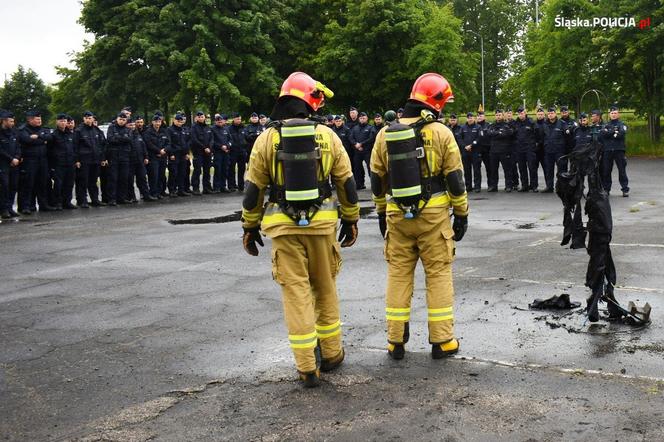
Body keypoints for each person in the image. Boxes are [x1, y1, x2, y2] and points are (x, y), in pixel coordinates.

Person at [241, 72, 359, 388]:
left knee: (296, 294)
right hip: (322, 226)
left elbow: (254, 190)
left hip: (282, 229)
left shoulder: (266, 138)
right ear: (310, 101)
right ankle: (332, 354)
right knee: (325, 287)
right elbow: (346, 183)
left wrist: (249, 227)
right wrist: (351, 219)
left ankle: (307, 367)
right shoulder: (328, 136)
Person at [370, 73, 467, 360]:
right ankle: (442, 341)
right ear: (434, 102)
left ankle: (395, 340)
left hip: (397, 215)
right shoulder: (440, 132)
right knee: (437, 275)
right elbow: (455, 179)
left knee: (398, 275)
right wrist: (461, 213)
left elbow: (377, 178)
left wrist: (380, 212)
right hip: (434, 216)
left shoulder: (384, 133)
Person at [18, 110, 55, 213]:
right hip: (30, 160)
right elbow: (26, 140)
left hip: (42, 160)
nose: (40, 121)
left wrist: (38, 137)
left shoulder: (43, 129)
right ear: (30, 120)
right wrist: (42, 140)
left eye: (40, 119)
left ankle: (43, 205)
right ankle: (26, 206)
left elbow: (50, 138)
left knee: (43, 183)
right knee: (28, 183)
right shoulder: (23, 129)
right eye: (37, 119)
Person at [48, 113, 77, 210]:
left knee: (69, 184)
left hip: (70, 163)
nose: (63, 123)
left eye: (65, 121)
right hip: (58, 164)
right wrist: (52, 165)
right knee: (58, 184)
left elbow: (74, 148)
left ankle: (67, 202)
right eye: (61, 121)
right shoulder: (54, 135)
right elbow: (49, 150)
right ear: (57, 122)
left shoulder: (70, 134)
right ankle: (58, 202)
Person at [600, 106, 629, 197]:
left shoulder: (622, 124)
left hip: (619, 150)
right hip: (607, 150)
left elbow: (621, 134)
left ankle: (625, 189)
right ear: (609, 114)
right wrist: (614, 132)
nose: (613, 114)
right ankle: (606, 189)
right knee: (607, 171)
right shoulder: (605, 125)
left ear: (618, 114)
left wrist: (610, 132)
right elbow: (603, 134)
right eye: (612, 113)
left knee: (622, 170)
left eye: (615, 113)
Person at [105, 112, 133, 205]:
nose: (122, 121)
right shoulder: (111, 128)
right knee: (113, 178)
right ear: (117, 119)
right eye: (120, 119)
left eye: (124, 120)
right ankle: (112, 199)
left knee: (123, 178)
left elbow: (129, 139)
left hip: (124, 157)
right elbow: (110, 139)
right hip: (114, 157)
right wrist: (123, 138)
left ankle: (122, 198)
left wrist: (118, 138)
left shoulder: (128, 129)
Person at [126, 118, 154, 202]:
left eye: (133, 125)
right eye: (130, 125)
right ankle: (132, 197)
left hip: (140, 160)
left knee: (142, 178)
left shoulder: (137, 134)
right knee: (130, 180)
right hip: (130, 161)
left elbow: (143, 146)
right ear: (127, 125)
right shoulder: (125, 135)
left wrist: (146, 157)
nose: (132, 126)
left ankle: (146, 195)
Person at [541, 106, 568, 192]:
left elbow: (567, 136)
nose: (550, 115)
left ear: (555, 114)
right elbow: (542, 136)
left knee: (561, 170)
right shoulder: (544, 124)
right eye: (549, 113)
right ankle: (549, 187)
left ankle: (562, 187)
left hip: (559, 151)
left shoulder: (562, 123)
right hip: (548, 151)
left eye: (552, 113)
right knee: (549, 170)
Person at [487, 109, 514, 192]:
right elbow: (489, 133)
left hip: (504, 150)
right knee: (493, 170)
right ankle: (494, 186)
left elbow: (508, 133)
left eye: (499, 115)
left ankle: (509, 186)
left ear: (503, 115)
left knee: (507, 169)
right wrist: (499, 133)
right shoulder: (492, 125)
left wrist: (496, 133)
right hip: (494, 151)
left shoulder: (507, 125)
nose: (498, 116)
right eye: (497, 115)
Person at [144, 114, 170, 199]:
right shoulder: (148, 132)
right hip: (153, 157)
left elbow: (168, 143)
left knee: (161, 175)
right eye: (156, 122)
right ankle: (153, 193)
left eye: (159, 122)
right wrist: (158, 151)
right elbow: (149, 144)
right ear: (152, 122)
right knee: (154, 176)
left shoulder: (164, 131)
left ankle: (160, 192)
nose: (158, 123)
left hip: (162, 156)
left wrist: (164, 150)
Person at [0, 110, 20, 218]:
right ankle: (3, 209)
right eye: (11, 121)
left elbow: (18, 146)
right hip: (3, 164)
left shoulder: (14, 132)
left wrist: (16, 157)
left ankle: (9, 207)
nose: (13, 123)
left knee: (13, 186)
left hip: (14, 164)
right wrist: (10, 159)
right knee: (5, 186)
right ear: (4, 121)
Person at [348, 111, 376, 189]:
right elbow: (350, 137)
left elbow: (371, 138)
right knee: (357, 169)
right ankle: (359, 184)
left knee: (370, 168)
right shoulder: (355, 128)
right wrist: (356, 144)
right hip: (357, 151)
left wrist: (361, 144)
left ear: (366, 118)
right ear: (359, 119)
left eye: (363, 118)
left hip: (367, 151)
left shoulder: (370, 127)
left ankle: (374, 185)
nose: (362, 119)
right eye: (360, 118)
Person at [513, 106, 538, 192]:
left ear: (525, 113)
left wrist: (534, 145)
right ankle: (524, 185)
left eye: (522, 113)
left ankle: (534, 186)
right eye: (519, 113)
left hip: (529, 148)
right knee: (522, 168)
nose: (521, 115)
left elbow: (537, 134)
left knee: (532, 167)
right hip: (519, 149)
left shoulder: (531, 122)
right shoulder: (515, 123)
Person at [189, 110, 214, 195]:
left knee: (207, 170)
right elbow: (194, 140)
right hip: (198, 152)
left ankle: (207, 187)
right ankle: (195, 188)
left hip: (207, 152)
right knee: (197, 170)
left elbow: (211, 139)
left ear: (204, 117)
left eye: (202, 116)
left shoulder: (208, 127)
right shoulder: (193, 128)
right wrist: (204, 148)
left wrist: (209, 147)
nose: (201, 118)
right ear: (196, 118)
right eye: (199, 117)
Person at [167, 113, 191, 197]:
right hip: (174, 154)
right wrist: (171, 154)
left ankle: (181, 190)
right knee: (173, 173)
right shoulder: (170, 130)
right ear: (174, 120)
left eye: (181, 121)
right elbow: (169, 143)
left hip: (183, 154)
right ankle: (172, 190)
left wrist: (187, 153)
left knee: (182, 173)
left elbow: (187, 143)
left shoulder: (183, 130)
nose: (179, 123)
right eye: (178, 121)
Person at [211, 114, 231, 193]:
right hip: (217, 152)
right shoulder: (212, 129)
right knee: (218, 169)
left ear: (223, 121)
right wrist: (220, 147)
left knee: (225, 169)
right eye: (218, 121)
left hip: (226, 152)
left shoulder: (226, 129)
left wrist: (227, 146)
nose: (220, 122)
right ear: (215, 121)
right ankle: (216, 187)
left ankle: (223, 186)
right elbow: (212, 141)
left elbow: (230, 140)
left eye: (221, 121)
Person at [460, 112, 480, 191]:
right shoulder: (463, 127)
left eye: (471, 117)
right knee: (467, 170)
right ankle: (468, 186)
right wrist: (465, 146)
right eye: (468, 118)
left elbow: (479, 138)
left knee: (476, 170)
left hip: (475, 151)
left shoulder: (478, 127)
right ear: (467, 119)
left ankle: (477, 186)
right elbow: (460, 138)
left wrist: (471, 145)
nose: (470, 119)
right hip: (465, 152)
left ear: (474, 118)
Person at [228, 112, 247, 191]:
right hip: (233, 151)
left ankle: (241, 185)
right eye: (237, 119)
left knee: (242, 169)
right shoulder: (229, 128)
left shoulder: (243, 128)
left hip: (242, 151)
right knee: (231, 169)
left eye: (240, 119)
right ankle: (231, 186)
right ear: (233, 119)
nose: (239, 120)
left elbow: (246, 138)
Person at [474, 111, 491, 192]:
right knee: (477, 169)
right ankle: (477, 186)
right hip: (477, 150)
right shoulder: (475, 126)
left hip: (486, 150)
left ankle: (491, 185)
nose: (479, 117)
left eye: (481, 116)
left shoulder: (488, 125)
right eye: (478, 116)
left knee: (489, 168)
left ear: (484, 117)